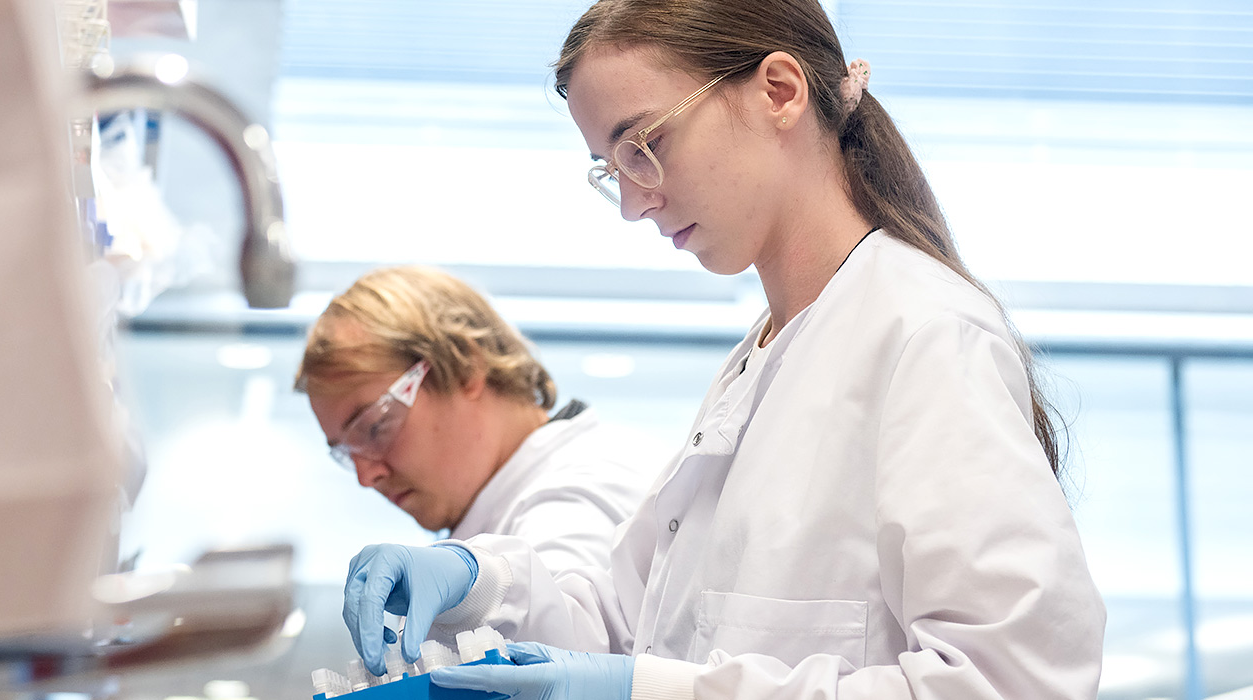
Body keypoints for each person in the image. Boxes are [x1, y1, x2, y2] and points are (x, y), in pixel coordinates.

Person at [338, 1, 1107, 699]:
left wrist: (652, 694)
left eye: (645, 144)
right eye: (614, 169)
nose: (635, 203)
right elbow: (640, 629)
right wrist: (479, 583)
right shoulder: (763, 356)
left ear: (779, 91)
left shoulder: (925, 336)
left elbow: (1010, 684)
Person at [297, 265, 660, 574]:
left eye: (375, 428)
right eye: (345, 452)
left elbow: (557, 611)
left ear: (465, 368)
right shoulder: (501, 507)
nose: (366, 476)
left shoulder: (573, 501)